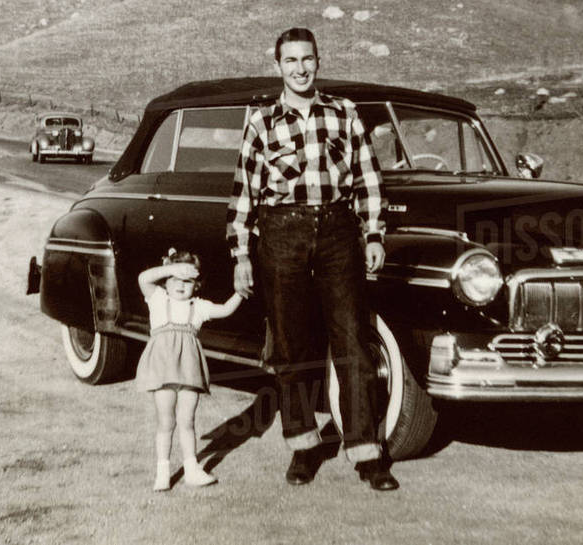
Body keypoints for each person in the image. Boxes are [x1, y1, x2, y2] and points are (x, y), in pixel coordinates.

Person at [226, 27, 398, 491]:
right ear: (278, 65)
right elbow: (244, 194)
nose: (300, 69)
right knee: (291, 345)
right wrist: (241, 255)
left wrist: (374, 234)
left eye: (308, 59)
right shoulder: (261, 121)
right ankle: (303, 446)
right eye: (291, 61)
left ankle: (367, 453)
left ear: (318, 62)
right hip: (281, 235)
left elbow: (368, 178)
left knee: (353, 342)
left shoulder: (344, 113)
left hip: (339, 231)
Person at [135, 248, 243, 491]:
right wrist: (172, 268)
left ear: (197, 285)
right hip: (162, 369)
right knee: (166, 421)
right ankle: (162, 471)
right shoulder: (158, 298)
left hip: (189, 370)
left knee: (187, 420)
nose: (181, 285)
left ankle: (192, 468)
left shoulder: (200, 307)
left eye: (188, 281)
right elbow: (143, 278)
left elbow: (225, 309)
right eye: (175, 279)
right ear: (166, 279)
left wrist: (241, 293)